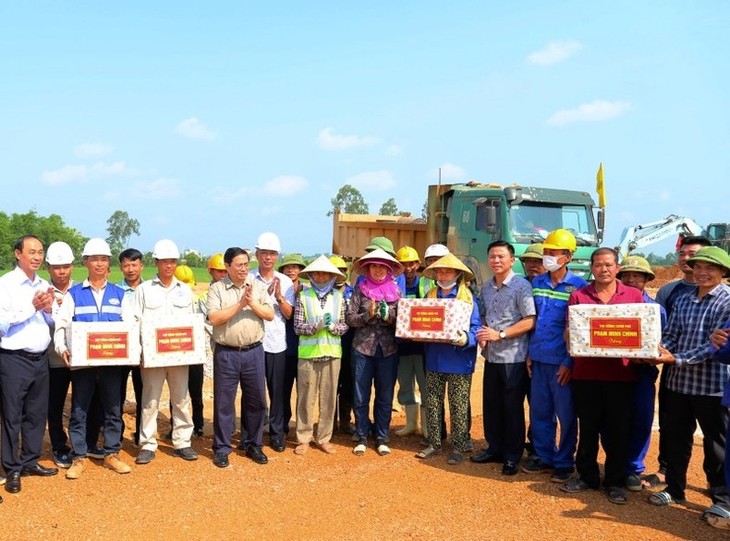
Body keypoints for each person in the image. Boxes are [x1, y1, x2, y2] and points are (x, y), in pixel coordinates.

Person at [647, 246, 730, 521]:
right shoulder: (683, 299)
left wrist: (675, 359)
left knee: (716, 443)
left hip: (712, 385)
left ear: (722, 272)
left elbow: (715, 346)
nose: (703, 273)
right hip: (678, 383)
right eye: (698, 267)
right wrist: (658, 351)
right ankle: (674, 488)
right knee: (675, 438)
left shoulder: (727, 301)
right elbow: (671, 334)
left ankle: (721, 497)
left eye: (711, 268)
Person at [560, 248, 644, 505]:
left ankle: (615, 481)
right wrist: (571, 337)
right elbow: (568, 332)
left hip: (621, 375)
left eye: (608, 264)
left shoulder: (633, 296)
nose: (603, 269)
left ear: (617, 268)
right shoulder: (579, 296)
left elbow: (642, 331)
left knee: (618, 430)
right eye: (598, 265)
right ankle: (587, 476)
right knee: (588, 428)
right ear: (592, 269)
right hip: (586, 373)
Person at [54, 238, 132, 479]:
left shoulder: (120, 294)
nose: (99, 263)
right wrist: (61, 346)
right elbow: (62, 324)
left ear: (109, 263)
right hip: (82, 364)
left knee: (112, 408)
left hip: (111, 365)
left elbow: (129, 327)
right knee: (79, 409)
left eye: (104, 259)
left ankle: (111, 453)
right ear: (86, 262)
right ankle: (79, 456)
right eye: (94, 259)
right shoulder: (74, 294)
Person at [522, 229, 586, 482]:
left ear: (568, 257)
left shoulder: (580, 287)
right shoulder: (536, 283)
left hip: (562, 362)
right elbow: (532, 321)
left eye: (553, 253)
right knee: (539, 412)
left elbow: (579, 330)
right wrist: (529, 353)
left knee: (566, 415)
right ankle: (544, 457)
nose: (547, 257)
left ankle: (564, 461)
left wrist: (569, 361)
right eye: (546, 252)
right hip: (538, 359)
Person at [650, 235, 712, 486]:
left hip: (711, 377)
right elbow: (661, 331)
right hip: (674, 372)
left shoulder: (724, 297)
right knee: (672, 425)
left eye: (694, 255)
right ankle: (668, 472)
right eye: (683, 254)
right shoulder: (669, 291)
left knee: (715, 434)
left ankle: (716, 481)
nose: (688, 259)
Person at [0, 235, 59, 495]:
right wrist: (32, 307)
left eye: (40, 252)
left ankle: (30, 460)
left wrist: (48, 309)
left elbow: (49, 320)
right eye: (31, 252)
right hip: (14, 359)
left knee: (36, 414)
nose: (37, 257)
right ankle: (11, 467)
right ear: (17, 254)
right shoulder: (6, 284)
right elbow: (2, 323)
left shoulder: (44, 283)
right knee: (12, 415)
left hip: (39, 359)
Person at [131, 239, 198, 465]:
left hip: (179, 355)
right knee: (150, 400)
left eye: (172, 261)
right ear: (156, 262)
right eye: (164, 262)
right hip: (152, 356)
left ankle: (182, 441)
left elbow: (191, 323)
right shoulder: (143, 290)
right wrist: (139, 352)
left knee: (181, 398)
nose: (169, 266)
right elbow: (135, 321)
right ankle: (148, 443)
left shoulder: (185, 291)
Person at [206, 247, 274, 468]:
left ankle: (253, 443)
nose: (244, 269)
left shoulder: (258, 288)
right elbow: (215, 318)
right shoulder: (217, 289)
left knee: (257, 401)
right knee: (224, 403)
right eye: (239, 265)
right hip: (227, 353)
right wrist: (240, 305)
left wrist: (252, 303)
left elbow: (270, 314)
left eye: (246, 264)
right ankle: (222, 448)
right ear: (227, 267)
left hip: (254, 351)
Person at [473, 241, 535, 475]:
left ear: (512, 260)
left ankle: (512, 455)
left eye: (501, 256)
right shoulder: (486, 288)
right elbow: (483, 317)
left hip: (514, 357)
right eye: (492, 257)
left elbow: (530, 320)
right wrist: (484, 334)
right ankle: (494, 448)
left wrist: (500, 334)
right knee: (492, 405)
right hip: (492, 356)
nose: (496, 261)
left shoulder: (521, 287)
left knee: (512, 407)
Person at [415, 253, 481, 465]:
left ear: (457, 274)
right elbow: (419, 320)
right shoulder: (429, 295)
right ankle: (434, 443)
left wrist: (467, 338)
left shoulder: (468, 297)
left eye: (448, 271)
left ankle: (460, 445)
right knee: (433, 401)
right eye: (439, 271)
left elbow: (476, 326)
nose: (443, 274)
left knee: (458, 404)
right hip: (434, 357)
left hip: (459, 359)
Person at [45, 241, 103, 469]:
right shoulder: (41, 290)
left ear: (73, 266)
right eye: (56, 266)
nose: (61, 271)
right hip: (53, 359)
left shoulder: (82, 290)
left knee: (84, 403)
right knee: (55, 405)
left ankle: (88, 443)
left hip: (83, 360)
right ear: (48, 267)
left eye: (66, 266)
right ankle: (60, 447)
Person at [616, 256, 667, 491]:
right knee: (614, 419)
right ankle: (616, 465)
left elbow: (666, 340)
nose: (631, 279)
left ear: (647, 279)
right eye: (626, 275)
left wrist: (652, 354)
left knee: (641, 419)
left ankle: (633, 468)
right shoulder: (610, 308)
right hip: (615, 371)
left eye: (637, 275)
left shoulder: (656, 310)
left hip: (643, 373)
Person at [346, 248, 403, 456]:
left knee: (385, 394)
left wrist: (390, 316)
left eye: (382, 266)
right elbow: (350, 318)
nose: (378, 270)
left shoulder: (396, 292)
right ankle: (361, 435)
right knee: (361, 393)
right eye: (374, 266)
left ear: (388, 270)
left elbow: (404, 319)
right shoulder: (360, 289)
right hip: (362, 348)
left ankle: (381, 436)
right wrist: (366, 315)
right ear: (367, 268)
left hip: (388, 350)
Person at [293, 255, 348, 455]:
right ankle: (304, 437)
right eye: (317, 273)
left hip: (332, 354)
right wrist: (314, 328)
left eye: (325, 273)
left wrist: (334, 328)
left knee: (328, 397)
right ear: (311, 276)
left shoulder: (339, 297)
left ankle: (324, 437)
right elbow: (298, 327)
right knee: (305, 398)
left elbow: (344, 325)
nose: (321, 276)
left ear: (332, 276)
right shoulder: (303, 296)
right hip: (308, 354)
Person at [250, 232, 295, 453]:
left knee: (278, 392)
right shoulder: (248, 278)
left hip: (276, 343)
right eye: (264, 253)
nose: (268, 257)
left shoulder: (285, 281)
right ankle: (253, 434)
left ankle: (277, 434)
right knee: (253, 392)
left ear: (277, 256)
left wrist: (279, 297)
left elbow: (289, 315)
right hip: (254, 342)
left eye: (272, 253)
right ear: (257, 254)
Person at [394, 246, 429, 437]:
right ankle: (410, 424)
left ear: (417, 264)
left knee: (425, 386)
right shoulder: (394, 285)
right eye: (403, 264)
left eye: (411, 264)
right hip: (402, 346)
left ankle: (425, 426)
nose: (407, 268)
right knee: (406, 384)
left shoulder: (425, 285)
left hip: (423, 346)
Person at [170, 264, 205, 437]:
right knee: (178, 392)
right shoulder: (171, 299)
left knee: (193, 391)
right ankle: (177, 426)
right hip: (179, 351)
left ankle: (197, 424)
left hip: (192, 351)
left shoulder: (199, 299)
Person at [116, 248, 145, 445]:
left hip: (145, 349)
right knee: (116, 393)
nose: (131, 269)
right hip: (121, 349)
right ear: (120, 267)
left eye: (134, 264)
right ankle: (115, 434)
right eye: (126, 265)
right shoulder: (115, 291)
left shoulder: (150, 289)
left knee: (144, 392)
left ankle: (141, 435)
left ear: (141, 265)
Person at [278, 253, 307, 440]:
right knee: (283, 389)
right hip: (283, 347)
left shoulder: (307, 292)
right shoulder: (277, 291)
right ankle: (282, 425)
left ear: (301, 271)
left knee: (304, 391)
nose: (291, 270)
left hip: (304, 348)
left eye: (295, 267)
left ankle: (301, 427)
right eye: (288, 267)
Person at [330, 255, 356, 435]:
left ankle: (346, 421)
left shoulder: (354, 292)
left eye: (342, 270)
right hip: (330, 345)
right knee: (331, 387)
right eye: (336, 271)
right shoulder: (325, 293)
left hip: (350, 346)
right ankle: (329, 424)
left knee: (348, 385)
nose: (340, 274)